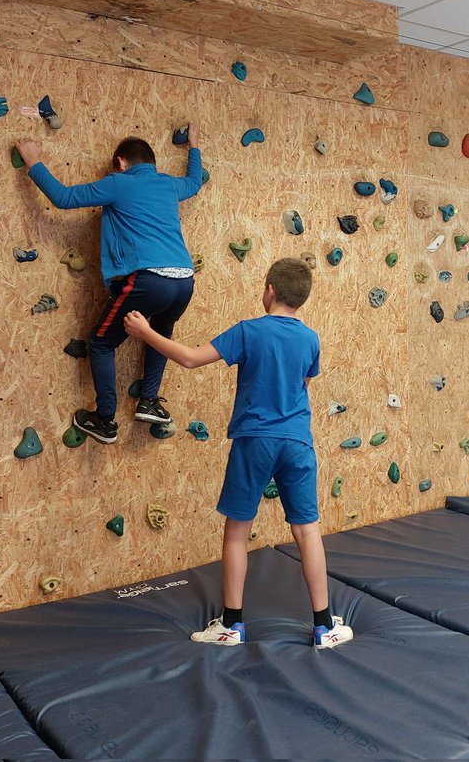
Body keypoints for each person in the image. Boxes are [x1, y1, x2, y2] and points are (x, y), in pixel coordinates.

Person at [122, 257, 353, 649]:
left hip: (255, 441)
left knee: (237, 531)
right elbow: (305, 382)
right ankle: (324, 625)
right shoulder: (311, 339)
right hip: (297, 442)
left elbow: (192, 358)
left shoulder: (249, 331)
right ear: (302, 300)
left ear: (269, 291)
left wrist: (145, 332)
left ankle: (232, 626)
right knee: (307, 530)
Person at [17, 125, 203, 444]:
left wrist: (34, 162)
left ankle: (105, 419)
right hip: (184, 281)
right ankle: (148, 401)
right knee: (160, 333)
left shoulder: (119, 183)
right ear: (152, 163)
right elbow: (195, 182)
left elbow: (63, 198)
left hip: (148, 280)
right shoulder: (169, 185)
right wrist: (194, 147)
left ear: (120, 163)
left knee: (101, 342)